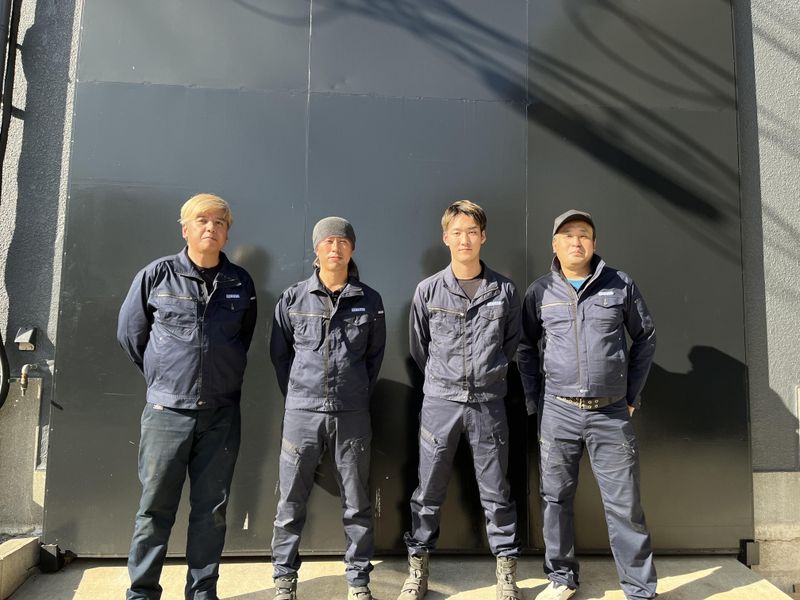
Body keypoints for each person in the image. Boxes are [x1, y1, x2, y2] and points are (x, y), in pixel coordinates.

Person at [117, 193, 258, 600]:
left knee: (211, 512)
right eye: (202, 220)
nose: (210, 228)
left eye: (219, 222)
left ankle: (202, 593)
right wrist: (164, 378)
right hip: (167, 413)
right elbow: (130, 334)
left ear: (227, 233)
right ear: (185, 228)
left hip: (221, 415)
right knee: (154, 509)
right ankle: (142, 593)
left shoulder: (240, 282)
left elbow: (242, 339)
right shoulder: (157, 275)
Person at [518, 209, 658, 600]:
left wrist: (631, 396)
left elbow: (645, 337)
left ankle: (639, 589)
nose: (576, 241)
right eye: (567, 235)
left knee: (624, 504)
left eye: (583, 234)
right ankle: (561, 578)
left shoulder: (620, 284)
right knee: (555, 498)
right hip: (558, 411)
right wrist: (534, 401)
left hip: (610, 413)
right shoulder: (540, 292)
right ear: (554, 245)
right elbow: (525, 347)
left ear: (594, 244)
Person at [399, 200, 523, 600]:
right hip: (441, 402)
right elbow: (419, 348)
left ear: (483, 236)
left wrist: (486, 374)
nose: (464, 239)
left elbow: (510, 344)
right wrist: (446, 378)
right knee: (428, 492)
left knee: (497, 491)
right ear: (445, 237)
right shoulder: (428, 291)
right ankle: (417, 569)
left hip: (488, 403)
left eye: (472, 232)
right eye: (457, 232)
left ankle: (506, 572)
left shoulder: (504, 290)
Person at [270, 217, 386, 600]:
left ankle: (358, 581)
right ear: (316, 249)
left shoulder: (369, 301)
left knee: (357, 503)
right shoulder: (293, 299)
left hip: (351, 414)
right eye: (328, 241)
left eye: (342, 241)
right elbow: (280, 356)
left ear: (352, 249)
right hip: (302, 414)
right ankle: (284, 580)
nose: (335, 248)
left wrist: (353, 393)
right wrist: (300, 396)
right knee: (290, 502)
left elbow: (373, 358)